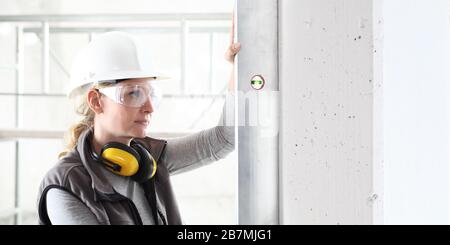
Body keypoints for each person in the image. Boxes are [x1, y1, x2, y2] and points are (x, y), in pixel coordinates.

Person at [36, 24, 241, 225]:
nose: (150, 107)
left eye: (151, 94)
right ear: (96, 101)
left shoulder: (149, 159)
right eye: (133, 93)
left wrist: (238, 67)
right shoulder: (65, 187)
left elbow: (224, 139)